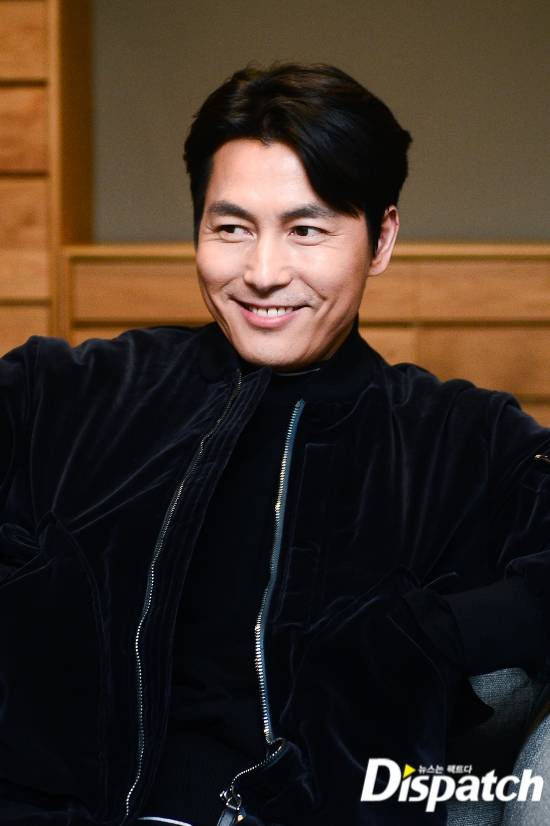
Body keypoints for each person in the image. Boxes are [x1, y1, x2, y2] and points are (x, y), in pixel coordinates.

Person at [1, 63, 550, 826]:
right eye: (231, 228)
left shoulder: (457, 438)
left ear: (381, 238)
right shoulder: (69, 394)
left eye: (306, 230)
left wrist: (428, 635)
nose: (262, 274)